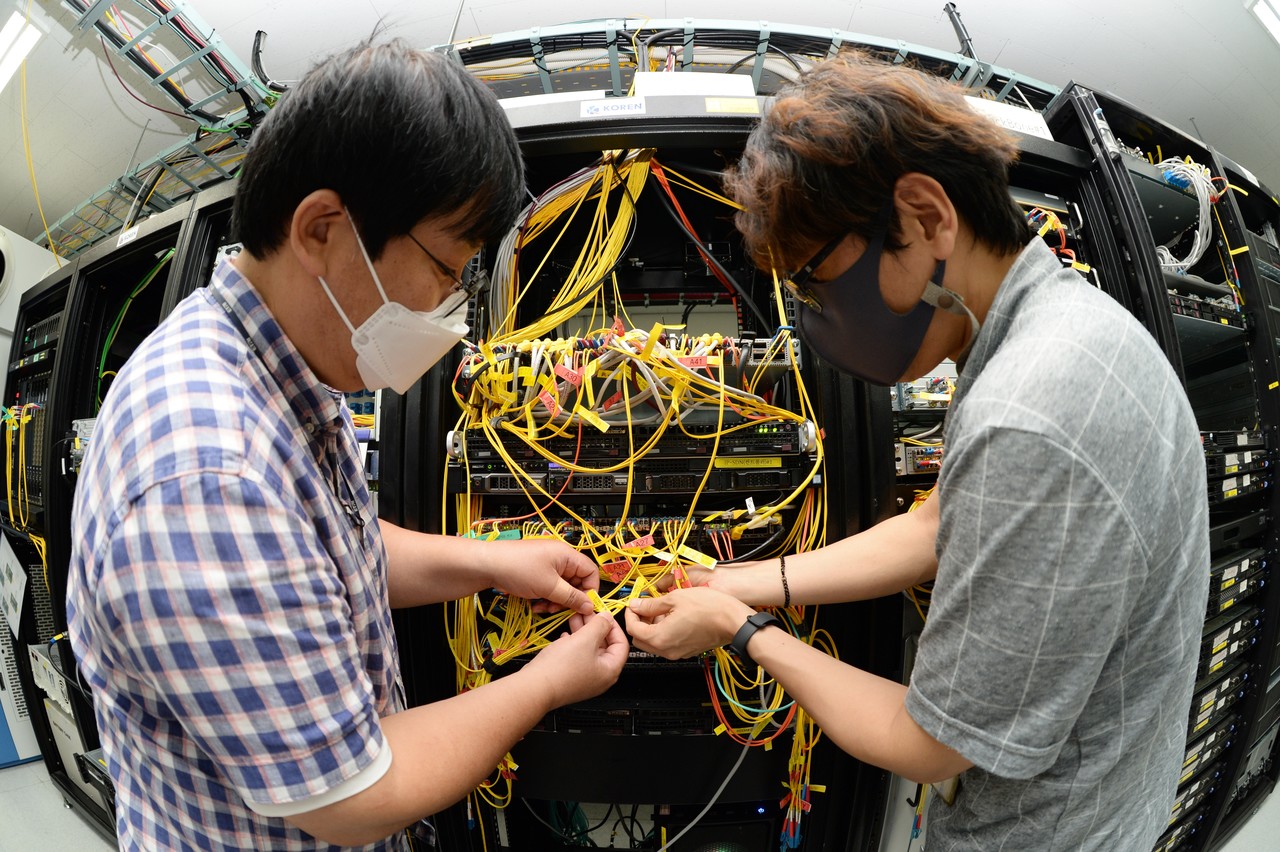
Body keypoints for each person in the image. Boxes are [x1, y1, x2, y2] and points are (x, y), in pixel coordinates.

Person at [625, 51, 1209, 850]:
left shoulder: (1027, 411)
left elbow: (927, 743)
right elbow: (938, 523)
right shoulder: (1051, 329)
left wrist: (738, 627)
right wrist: (736, 578)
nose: (819, 317)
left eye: (818, 279)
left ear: (927, 217)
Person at [66, 40, 627, 852]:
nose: (452, 313)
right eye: (448, 268)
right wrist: (547, 682)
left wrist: (491, 560)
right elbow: (354, 794)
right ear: (323, 229)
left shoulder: (275, 364)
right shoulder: (208, 473)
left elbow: (331, 553)